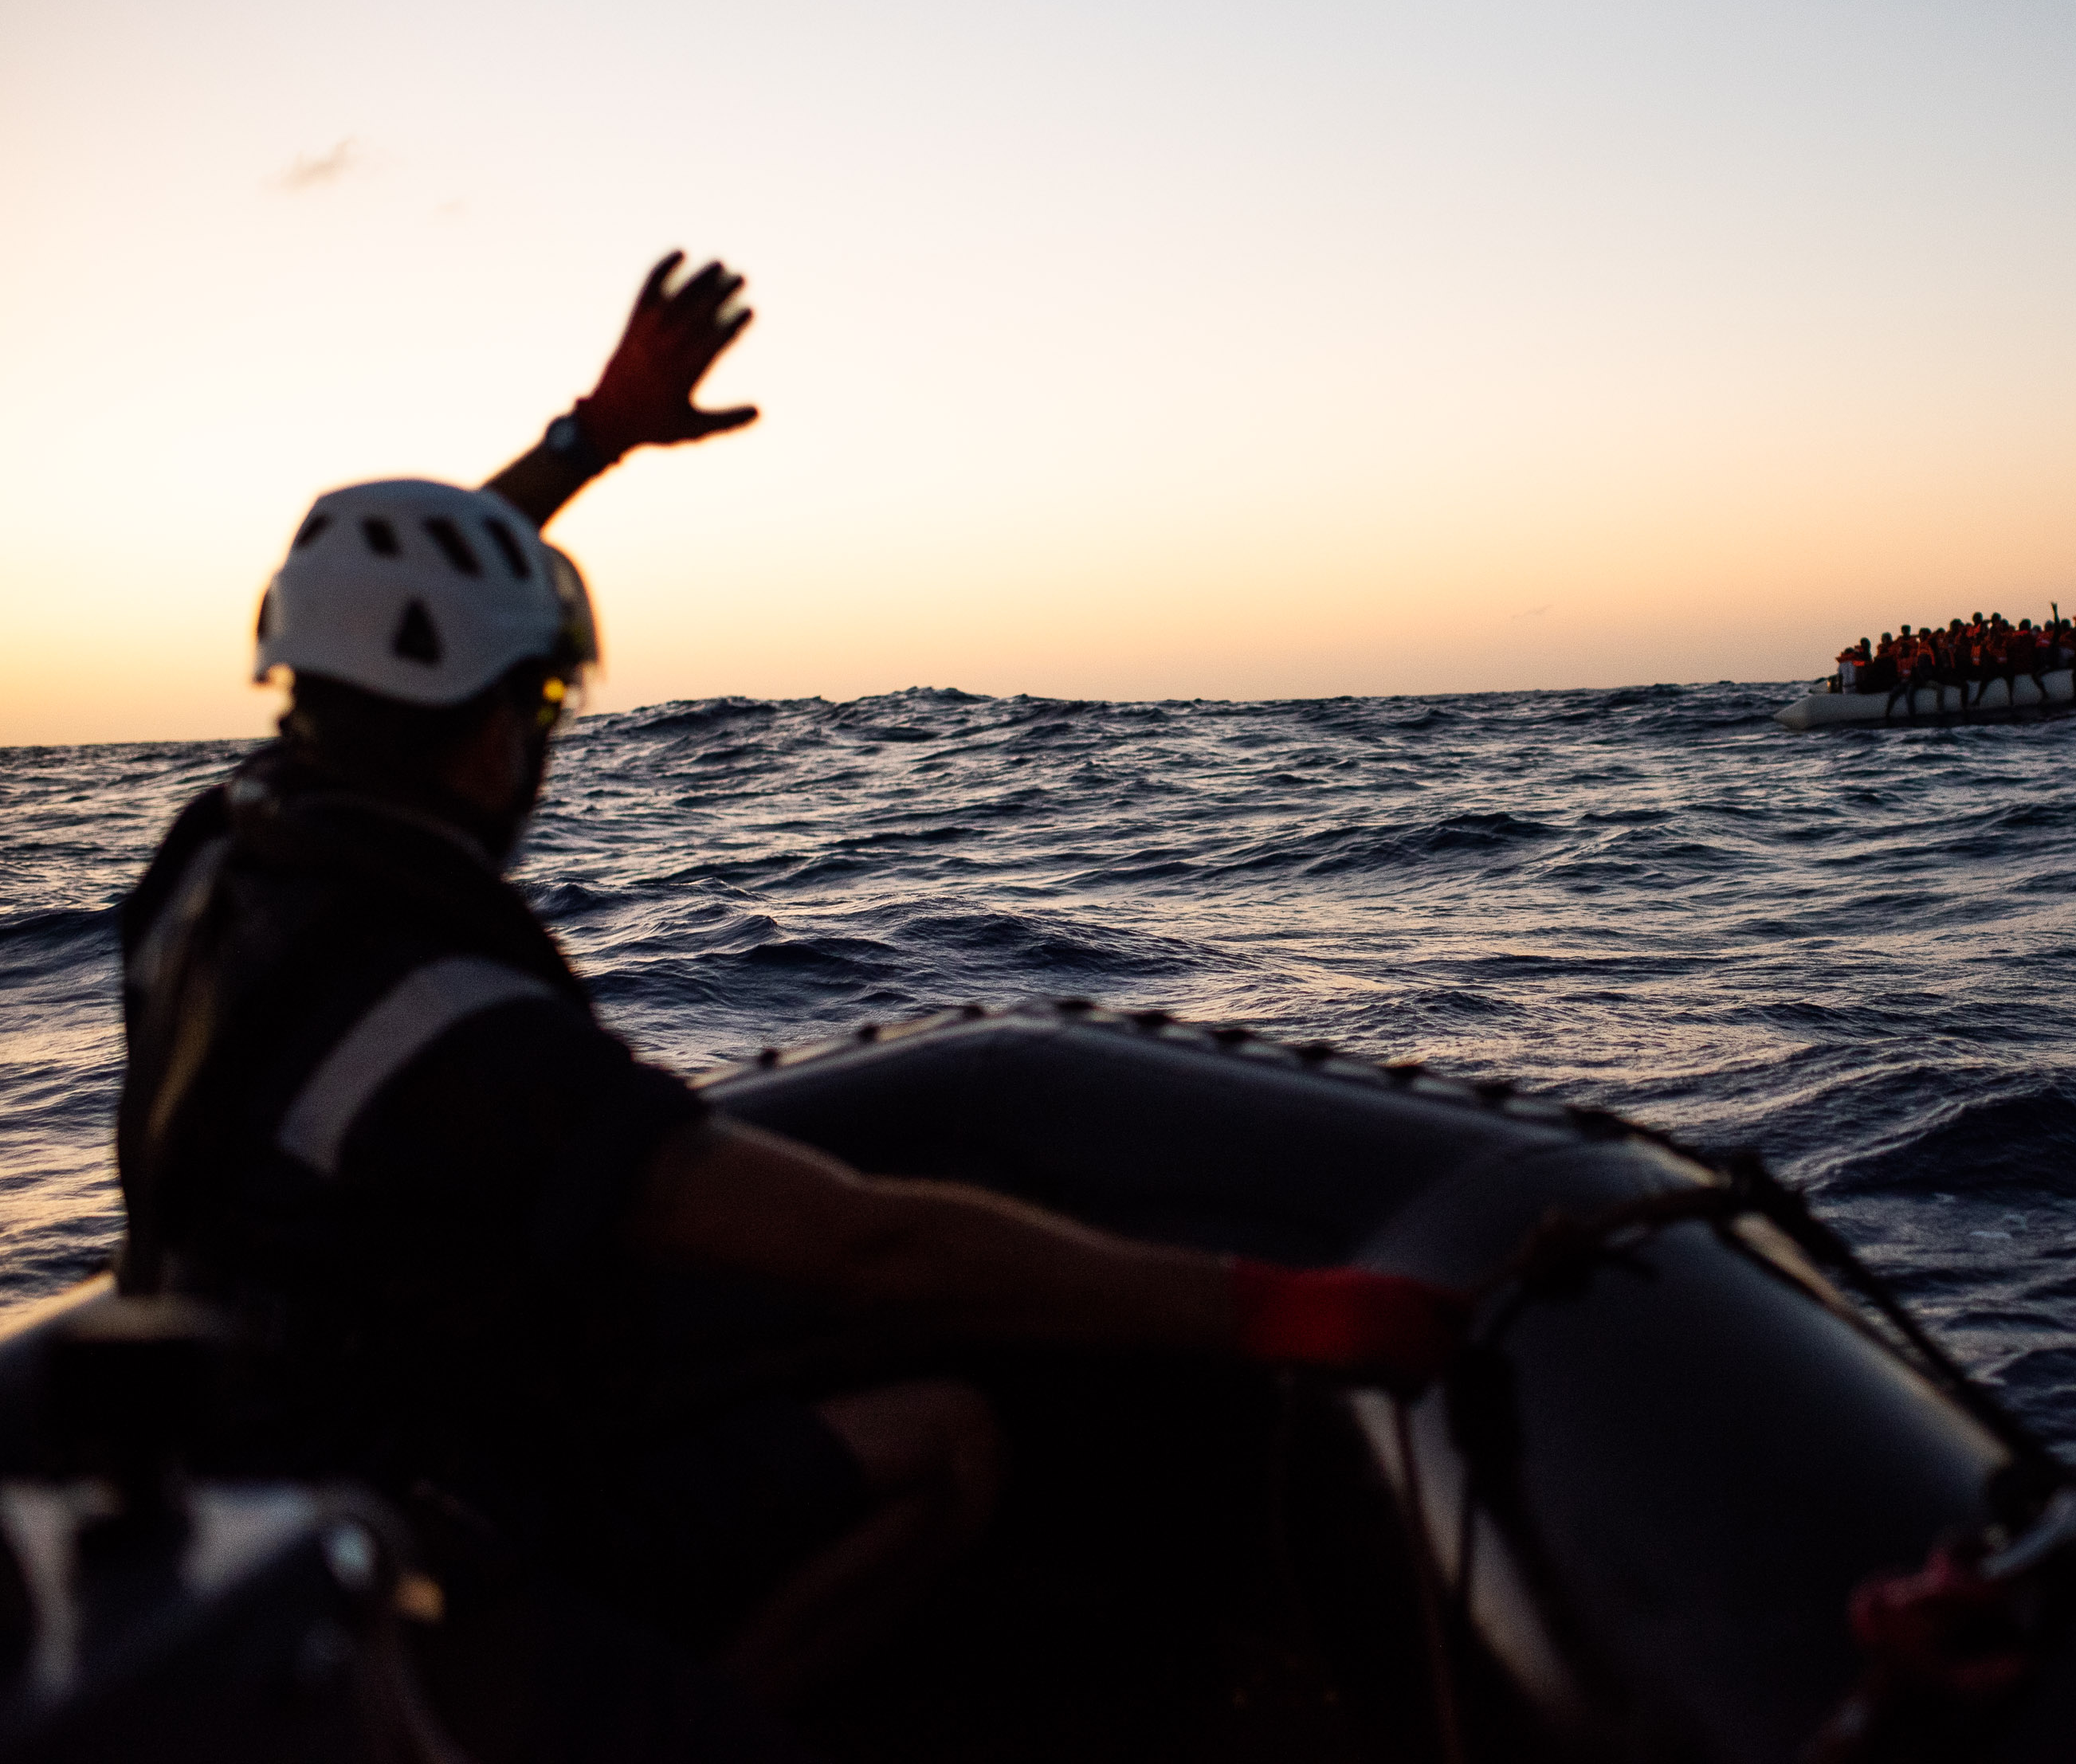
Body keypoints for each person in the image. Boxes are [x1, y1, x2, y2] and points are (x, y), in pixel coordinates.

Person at [112, 255, 1465, 1753]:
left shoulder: (226, 854)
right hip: (429, 1526)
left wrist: (589, 440)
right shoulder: (431, 1023)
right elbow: (865, 1244)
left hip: (280, 1453)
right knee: (944, 1442)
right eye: (544, 708)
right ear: (499, 738)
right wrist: (1284, 1307)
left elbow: (400, 614)